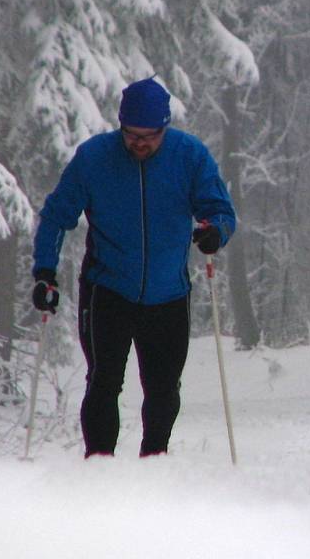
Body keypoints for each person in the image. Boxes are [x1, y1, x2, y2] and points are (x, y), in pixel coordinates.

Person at [31, 77, 236, 458]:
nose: (140, 142)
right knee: (104, 382)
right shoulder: (94, 158)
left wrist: (215, 233)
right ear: (121, 126)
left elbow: (221, 212)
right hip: (108, 289)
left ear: (164, 128)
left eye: (150, 135)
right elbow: (57, 216)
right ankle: (99, 469)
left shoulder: (189, 156)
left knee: (163, 387)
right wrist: (45, 273)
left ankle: (153, 464)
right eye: (131, 134)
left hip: (169, 293)